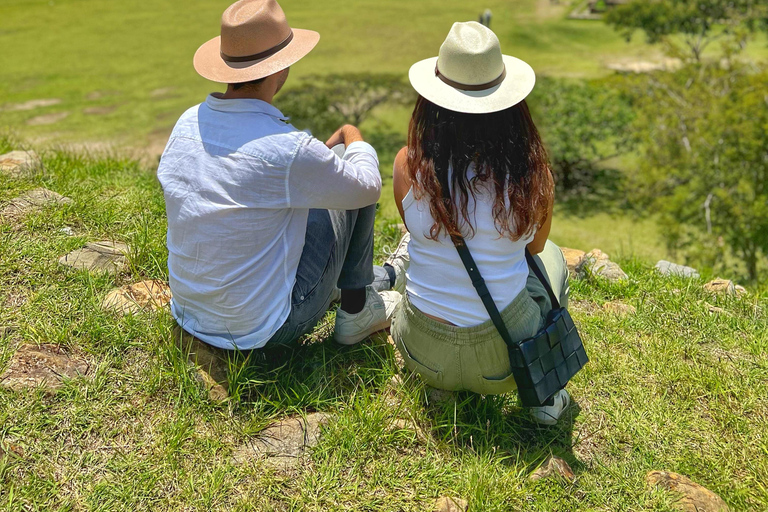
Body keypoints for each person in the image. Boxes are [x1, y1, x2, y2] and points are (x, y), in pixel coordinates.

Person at [157, 0, 403, 381]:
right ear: (282, 66)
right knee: (352, 174)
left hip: (191, 311)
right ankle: (356, 309)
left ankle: (375, 278)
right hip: (262, 328)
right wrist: (352, 136)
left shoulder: (187, 122)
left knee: (320, 186)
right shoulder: (287, 149)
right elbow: (367, 188)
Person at [390, 22, 571, 425]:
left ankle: (437, 377)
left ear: (431, 102)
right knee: (554, 259)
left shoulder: (409, 165)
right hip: (502, 366)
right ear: (509, 106)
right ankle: (544, 397)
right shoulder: (532, 176)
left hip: (420, 350)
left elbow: (413, 230)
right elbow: (536, 248)